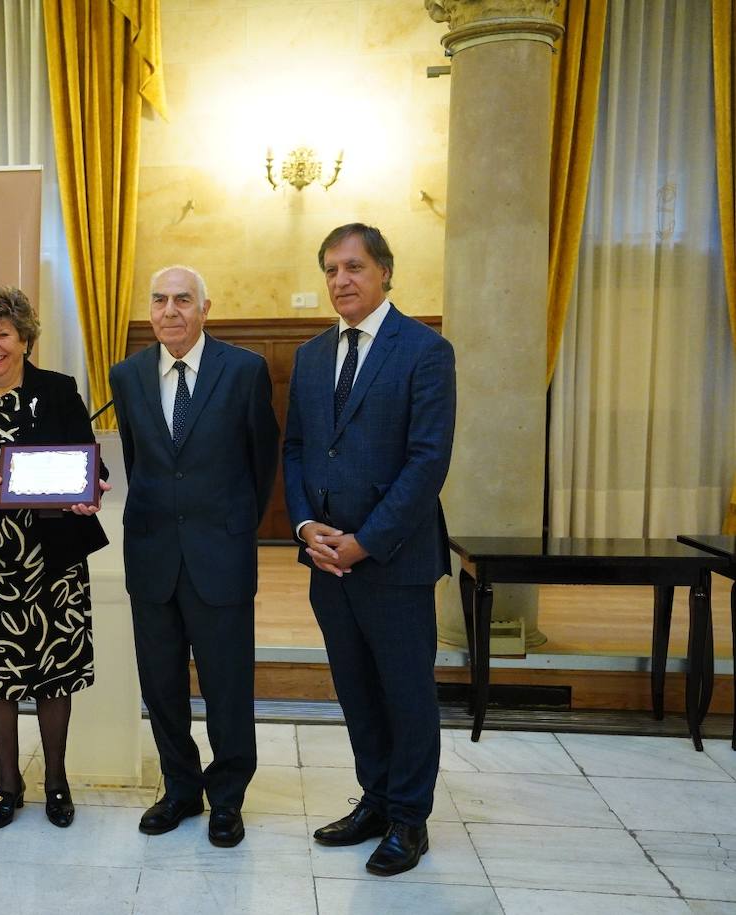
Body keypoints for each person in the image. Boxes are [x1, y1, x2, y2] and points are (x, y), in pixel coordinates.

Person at [283, 223, 456, 876]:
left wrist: (365, 541)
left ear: (384, 271)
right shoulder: (309, 355)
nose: (340, 280)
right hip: (326, 561)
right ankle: (377, 800)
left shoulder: (425, 350)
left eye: (353, 266)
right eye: (330, 269)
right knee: (356, 689)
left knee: (406, 694)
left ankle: (410, 819)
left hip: (395, 559)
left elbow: (428, 460)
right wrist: (305, 527)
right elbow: (297, 447)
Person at [108, 265, 280, 849]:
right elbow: (138, 459)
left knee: (227, 685)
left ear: (206, 307)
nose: (171, 311)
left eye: (183, 300)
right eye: (160, 301)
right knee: (160, 685)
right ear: (149, 310)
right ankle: (180, 788)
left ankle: (227, 798)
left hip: (220, 555)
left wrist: (231, 528)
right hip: (152, 554)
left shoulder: (245, 370)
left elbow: (263, 465)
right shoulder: (127, 374)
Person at [0, 285, 109, 831]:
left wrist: (91, 489)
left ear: (25, 339)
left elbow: (90, 464)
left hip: (54, 559)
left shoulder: (58, 390)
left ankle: (56, 780)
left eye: (3, 334)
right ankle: (8, 782)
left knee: (55, 674)